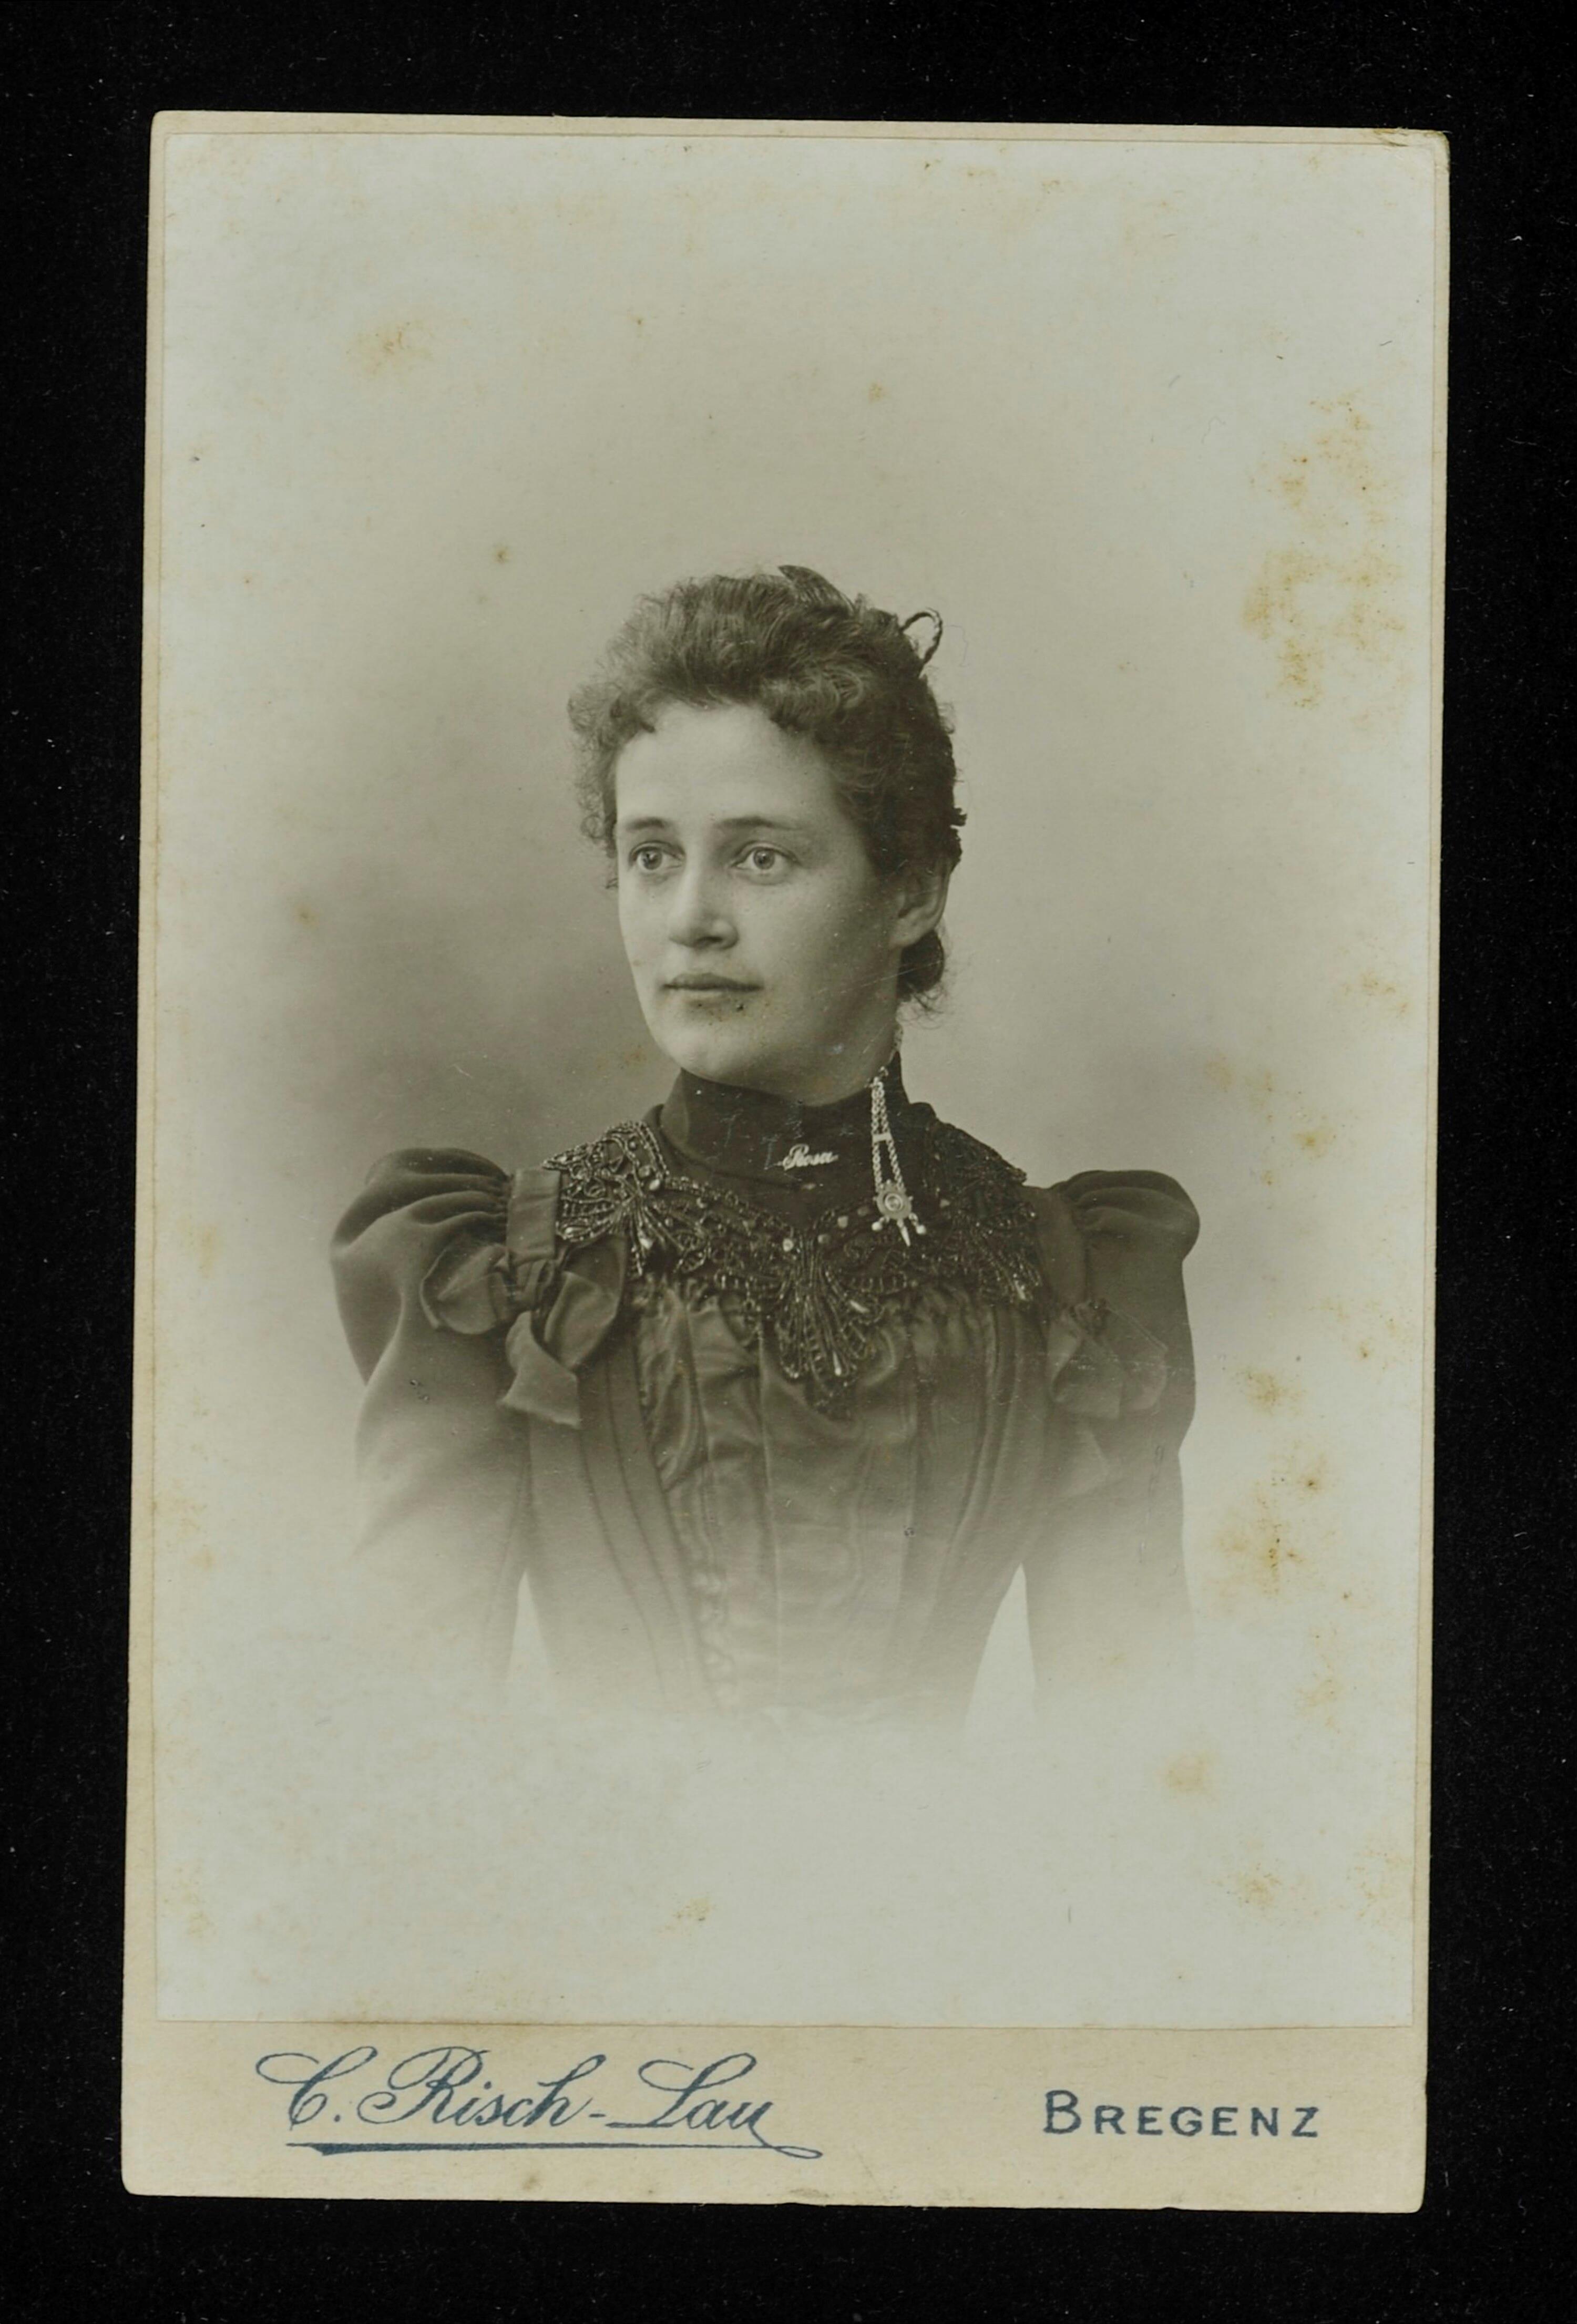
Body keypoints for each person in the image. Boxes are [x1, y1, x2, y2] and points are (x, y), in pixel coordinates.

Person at [331, 565, 1199, 1731]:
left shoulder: (1061, 1270)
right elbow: (397, 1745)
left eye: (760, 858)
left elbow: (1135, 1749)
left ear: (910, 893)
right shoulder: (505, 1270)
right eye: (652, 855)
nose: (691, 918)